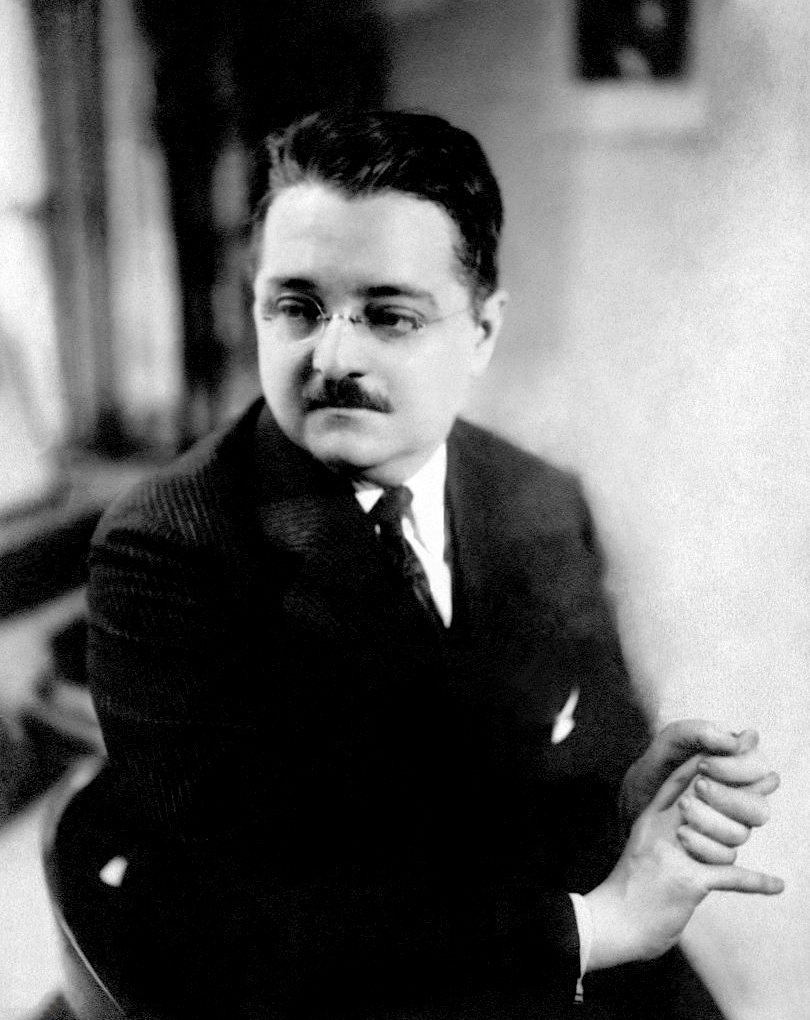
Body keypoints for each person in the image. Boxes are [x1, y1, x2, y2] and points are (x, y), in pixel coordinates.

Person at [86, 109, 782, 1019]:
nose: (332, 357)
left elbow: (579, 768)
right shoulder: (166, 547)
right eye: (295, 308)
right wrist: (588, 928)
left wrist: (626, 805)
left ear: (483, 332)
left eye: (389, 315)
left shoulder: (538, 497)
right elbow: (243, 916)